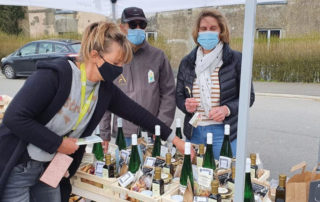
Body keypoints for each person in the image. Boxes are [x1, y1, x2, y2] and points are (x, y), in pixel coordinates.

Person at [0, 21, 189, 202]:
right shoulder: (54, 76)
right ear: (94, 55)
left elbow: (139, 114)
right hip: (20, 165)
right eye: (116, 63)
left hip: (53, 167)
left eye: (122, 63)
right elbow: (14, 118)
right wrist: (57, 143)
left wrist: (175, 140)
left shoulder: (104, 89)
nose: (120, 70)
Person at [176, 10, 255, 160]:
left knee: (223, 178)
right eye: (203, 29)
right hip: (194, 131)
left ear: (221, 31)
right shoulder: (187, 62)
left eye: (213, 28)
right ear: (197, 32)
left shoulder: (236, 60)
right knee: (195, 177)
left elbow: (249, 97)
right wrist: (186, 105)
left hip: (224, 133)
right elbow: (179, 95)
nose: (208, 32)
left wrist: (227, 109)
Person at [100, 7, 176, 150]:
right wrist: (104, 133)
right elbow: (105, 97)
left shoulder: (158, 56)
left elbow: (168, 94)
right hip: (124, 135)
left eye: (142, 25)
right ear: (122, 28)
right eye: (133, 25)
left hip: (152, 134)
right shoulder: (114, 58)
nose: (138, 28)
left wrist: (161, 125)